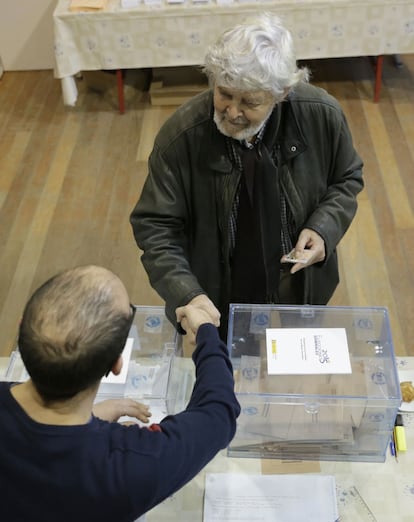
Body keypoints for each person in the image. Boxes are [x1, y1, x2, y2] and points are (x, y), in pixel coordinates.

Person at [130, 13, 364, 343]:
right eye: (224, 93)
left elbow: (347, 176)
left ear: (281, 93)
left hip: (300, 288)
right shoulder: (182, 136)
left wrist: (324, 228)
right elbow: (155, 227)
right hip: (215, 295)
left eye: (250, 101)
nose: (232, 111)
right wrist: (187, 294)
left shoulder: (321, 115)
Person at [0, 265, 240, 522]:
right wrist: (207, 332)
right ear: (116, 364)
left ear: (22, 327)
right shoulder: (129, 467)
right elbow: (218, 413)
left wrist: (91, 416)